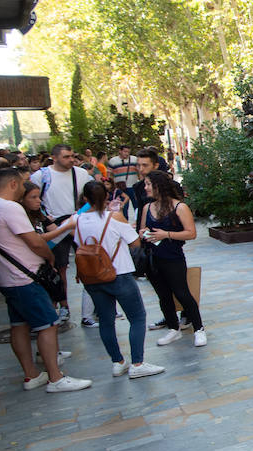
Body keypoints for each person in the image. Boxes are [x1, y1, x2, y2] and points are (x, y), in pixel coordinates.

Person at [0, 168, 90, 393]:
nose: (25, 187)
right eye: (22, 183)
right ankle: (55, 378)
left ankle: (31, 374)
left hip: (7, 278)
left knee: (19, 325)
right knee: (48, 325)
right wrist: (49, 257)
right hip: (25, 277)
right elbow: (36, 242)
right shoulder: (9, 207)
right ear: (12, 184)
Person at [74, 181, 165, 380]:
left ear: (86, 199)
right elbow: (134, 242)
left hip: (92, 277)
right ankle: (137, 363)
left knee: (106, 320)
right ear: (107, 198)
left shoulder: (78, 220)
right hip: (119, 273)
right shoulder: (114, 218)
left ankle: (117, 362)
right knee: (137, 317)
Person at [140, 171, 207, 346]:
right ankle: (173, 328)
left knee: (182, 293)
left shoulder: (179, 207)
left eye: (148, 184)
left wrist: (166, 234)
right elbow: (143, 230)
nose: (145, 187)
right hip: (152, 259)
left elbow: (191, 233)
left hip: (173, 258)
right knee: (163, 296)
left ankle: (199, 328)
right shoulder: (147, 208)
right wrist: (143, 233)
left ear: (158, 186)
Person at [30, 143, 93, 319]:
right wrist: (47, 220)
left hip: (79, 223)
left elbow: (92, 196)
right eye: (66, 156)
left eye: (72, 156)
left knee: (91, 263)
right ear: (55, 157)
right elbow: (32, 200)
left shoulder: (81, 174)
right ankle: (62, 304)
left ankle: (93, 307)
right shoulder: (41, 176)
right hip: (55, 227)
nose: (71, 159)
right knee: (59, 268)